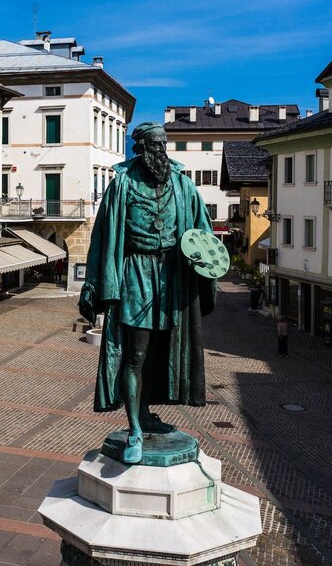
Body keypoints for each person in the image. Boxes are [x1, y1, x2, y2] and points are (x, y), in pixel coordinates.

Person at [78, 122, 217, 464]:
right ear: (140, 147)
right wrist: (94, 283)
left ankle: (146, 411)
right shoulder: (122, 186)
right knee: (135, 355)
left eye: (163, 145)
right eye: (154, 145)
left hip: (173, 277)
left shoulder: (183, 186)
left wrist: (207, 265)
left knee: (165, 351)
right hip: (136, 276)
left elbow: (204, 233)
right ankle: (135, 428)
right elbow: (101, 238)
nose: (160, 151)